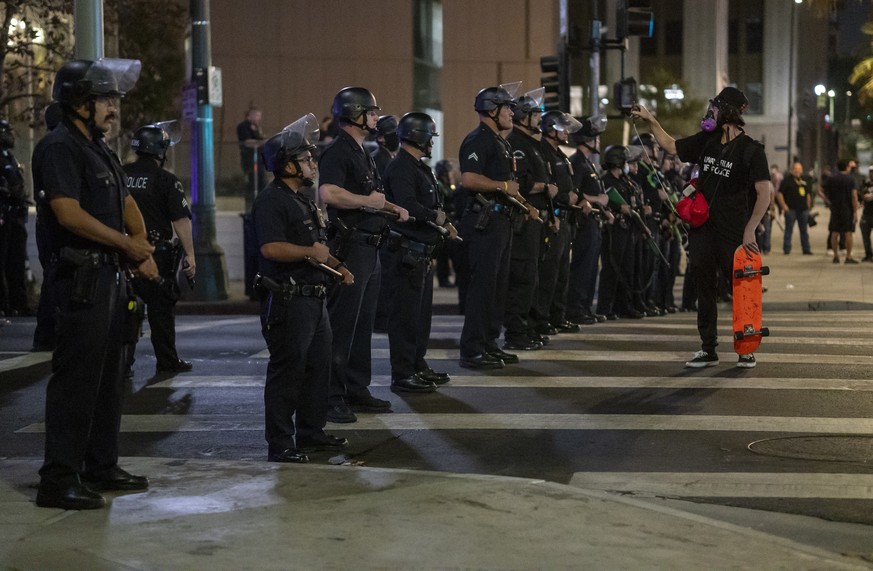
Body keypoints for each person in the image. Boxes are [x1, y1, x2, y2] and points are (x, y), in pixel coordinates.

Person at [33, 58, 158, 510]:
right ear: (78, 103)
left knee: (109, 378)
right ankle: (58, 479)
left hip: (109, 276)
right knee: (76, 381)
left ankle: (100, 465)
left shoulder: (99, 148)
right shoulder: (59, 147)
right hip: (79, 278)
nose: (112, 108)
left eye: (112, 100)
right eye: (104, 100)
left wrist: (138, 244)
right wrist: (128, 245)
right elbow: (68, 213)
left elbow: (124, 198)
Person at [632, 86, 771, 369]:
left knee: (741, 289)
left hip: (734, 232)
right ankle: (708, 348)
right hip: (703, 229)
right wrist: (651, 120)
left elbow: (764, 193)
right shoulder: (706, 140)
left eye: (716, 107)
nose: (712, 112)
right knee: (704, 288)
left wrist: (750, 229)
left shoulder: (751, 151)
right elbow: (671, 145)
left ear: (728, 111)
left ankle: (745, 347)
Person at [253, 114, 352, 462]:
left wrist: (338, 267)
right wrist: (311, 252)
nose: (312, 164)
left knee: (317, 370)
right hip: (288, 299)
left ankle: (311, 433)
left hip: (314, 299)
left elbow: (317, 247)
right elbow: (270, 248)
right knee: (287, 373)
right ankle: (280, 443)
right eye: (305, 159)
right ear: (286, 164)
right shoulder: (271, 201)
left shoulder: (302, 200)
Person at [318, 87, 409, 424]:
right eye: (370, 112)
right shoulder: (338, 152)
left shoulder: (363, 152)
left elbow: (371, 195)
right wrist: (368, 203)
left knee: (362, 326)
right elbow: (329, 192)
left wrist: (390, 207)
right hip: (351, 247)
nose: (375, 117)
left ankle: (356, 387)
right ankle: (332, 397)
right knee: (342, 325)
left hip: (370, 247)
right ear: (354, 114)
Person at [456, 83, 536, 370]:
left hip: (502, 223)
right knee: (483, 289)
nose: (511, 113)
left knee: (497, 289)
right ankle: (473, 350)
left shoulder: (500, 141)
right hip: (484, 224)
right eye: (507, 108)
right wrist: (503, 185)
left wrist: (525, 205)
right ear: (492, 109)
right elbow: (469, 179)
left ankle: (490, 344)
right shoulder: (479, 139)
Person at [382, 112, 454, 393]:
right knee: (405, 319)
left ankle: (417, 365)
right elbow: (408, 205)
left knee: (420, 318)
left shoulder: (419, 167)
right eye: (430, 137)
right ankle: (403, 374)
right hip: (405, 255)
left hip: (421, 253)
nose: (432, 143)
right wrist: (436, 218)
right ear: (419, 136)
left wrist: (442, 222)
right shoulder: (401, 167)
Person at [123, 121, 196, 375]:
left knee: (125, 308)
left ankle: (123, 362)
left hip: (123, 251)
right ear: (160, 151)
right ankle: (167, 360)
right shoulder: (166, 180)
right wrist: (190, 254)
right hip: (156, 255)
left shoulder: (120, 173)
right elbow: (180, 220)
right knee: (161, 312)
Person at [504, 88, 551, 351]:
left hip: (536, 220)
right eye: (535, 114)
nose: (539, 119)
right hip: (523, 220)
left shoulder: (532, 144)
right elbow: (519, 184)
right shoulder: (519, 145)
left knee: (532, 277)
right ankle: (516, 332)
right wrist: (543, 188)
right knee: (522, 278)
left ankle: (527, 327)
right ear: (524, 117)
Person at [536, 110, 585, 334]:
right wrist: (566, 198)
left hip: (566, 219)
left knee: (562, 273)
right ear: (549, 129)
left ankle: (557, 316)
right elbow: (547, 188)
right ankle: (543, 318)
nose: (566, 132)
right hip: (553, 218)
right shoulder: (543, 152)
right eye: (562, 127)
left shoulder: (560, 154)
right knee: (549, 273)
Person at [567, 116, 610, 325]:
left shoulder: (587, 163)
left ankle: (585, 307)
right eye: (595, 138)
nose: (598, 142)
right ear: (586, 140)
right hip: (583, 223)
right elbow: (574, 193)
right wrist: (597, 199)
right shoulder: (577, 162)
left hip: (594, 220)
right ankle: (575, 309)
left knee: (592, 266)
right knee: (582, 266)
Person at [0, 119, 31, 317]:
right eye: (7, 132)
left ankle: (18, 302)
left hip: (15, 214)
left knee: (16, 261)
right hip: (4, 213)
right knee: (3, 261)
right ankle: (4, 303)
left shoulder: (8, 156)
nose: (11, 136)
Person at [821, 159, 860, 264]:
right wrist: (856, 211)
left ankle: (836, 256)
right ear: (847, 167)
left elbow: (819, 189)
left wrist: (826, 200)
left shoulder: (831, 179)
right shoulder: (851, 179)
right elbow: (854, 196)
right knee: (848, 233)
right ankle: (848, 256)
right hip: (847, 210)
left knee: (834, 232)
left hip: (835, 209)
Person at [776, 161, 813, 256]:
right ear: (792, 170)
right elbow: (779, 194)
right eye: (796, 169)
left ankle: (806, 249)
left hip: (803, 210)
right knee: (789, 229)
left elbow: (808, 194)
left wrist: (808, 206)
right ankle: (786, 248)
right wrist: (783, 206)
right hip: (791, 209)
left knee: (804, 230)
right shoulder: (787, 180)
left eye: (799, 169)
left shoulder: (804, 181)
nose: (798, 170)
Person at [237, 106, 266, 212]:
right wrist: (261, 143)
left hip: (260, 160)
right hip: (250, 160)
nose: (259, 118)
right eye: (257, 115)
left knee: (262, 184)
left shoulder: (257, 127)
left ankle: (261, 207)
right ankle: (250, 209)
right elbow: (247, 142)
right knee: (252, 184)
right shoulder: (243, 126)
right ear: (250, 115)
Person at [859, 166, 873, 262]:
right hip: (867, 214)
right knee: (865, 235)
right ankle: (868, 254)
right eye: (870, 172)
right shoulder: (866, 184)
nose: (872, 174)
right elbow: (863, 196)